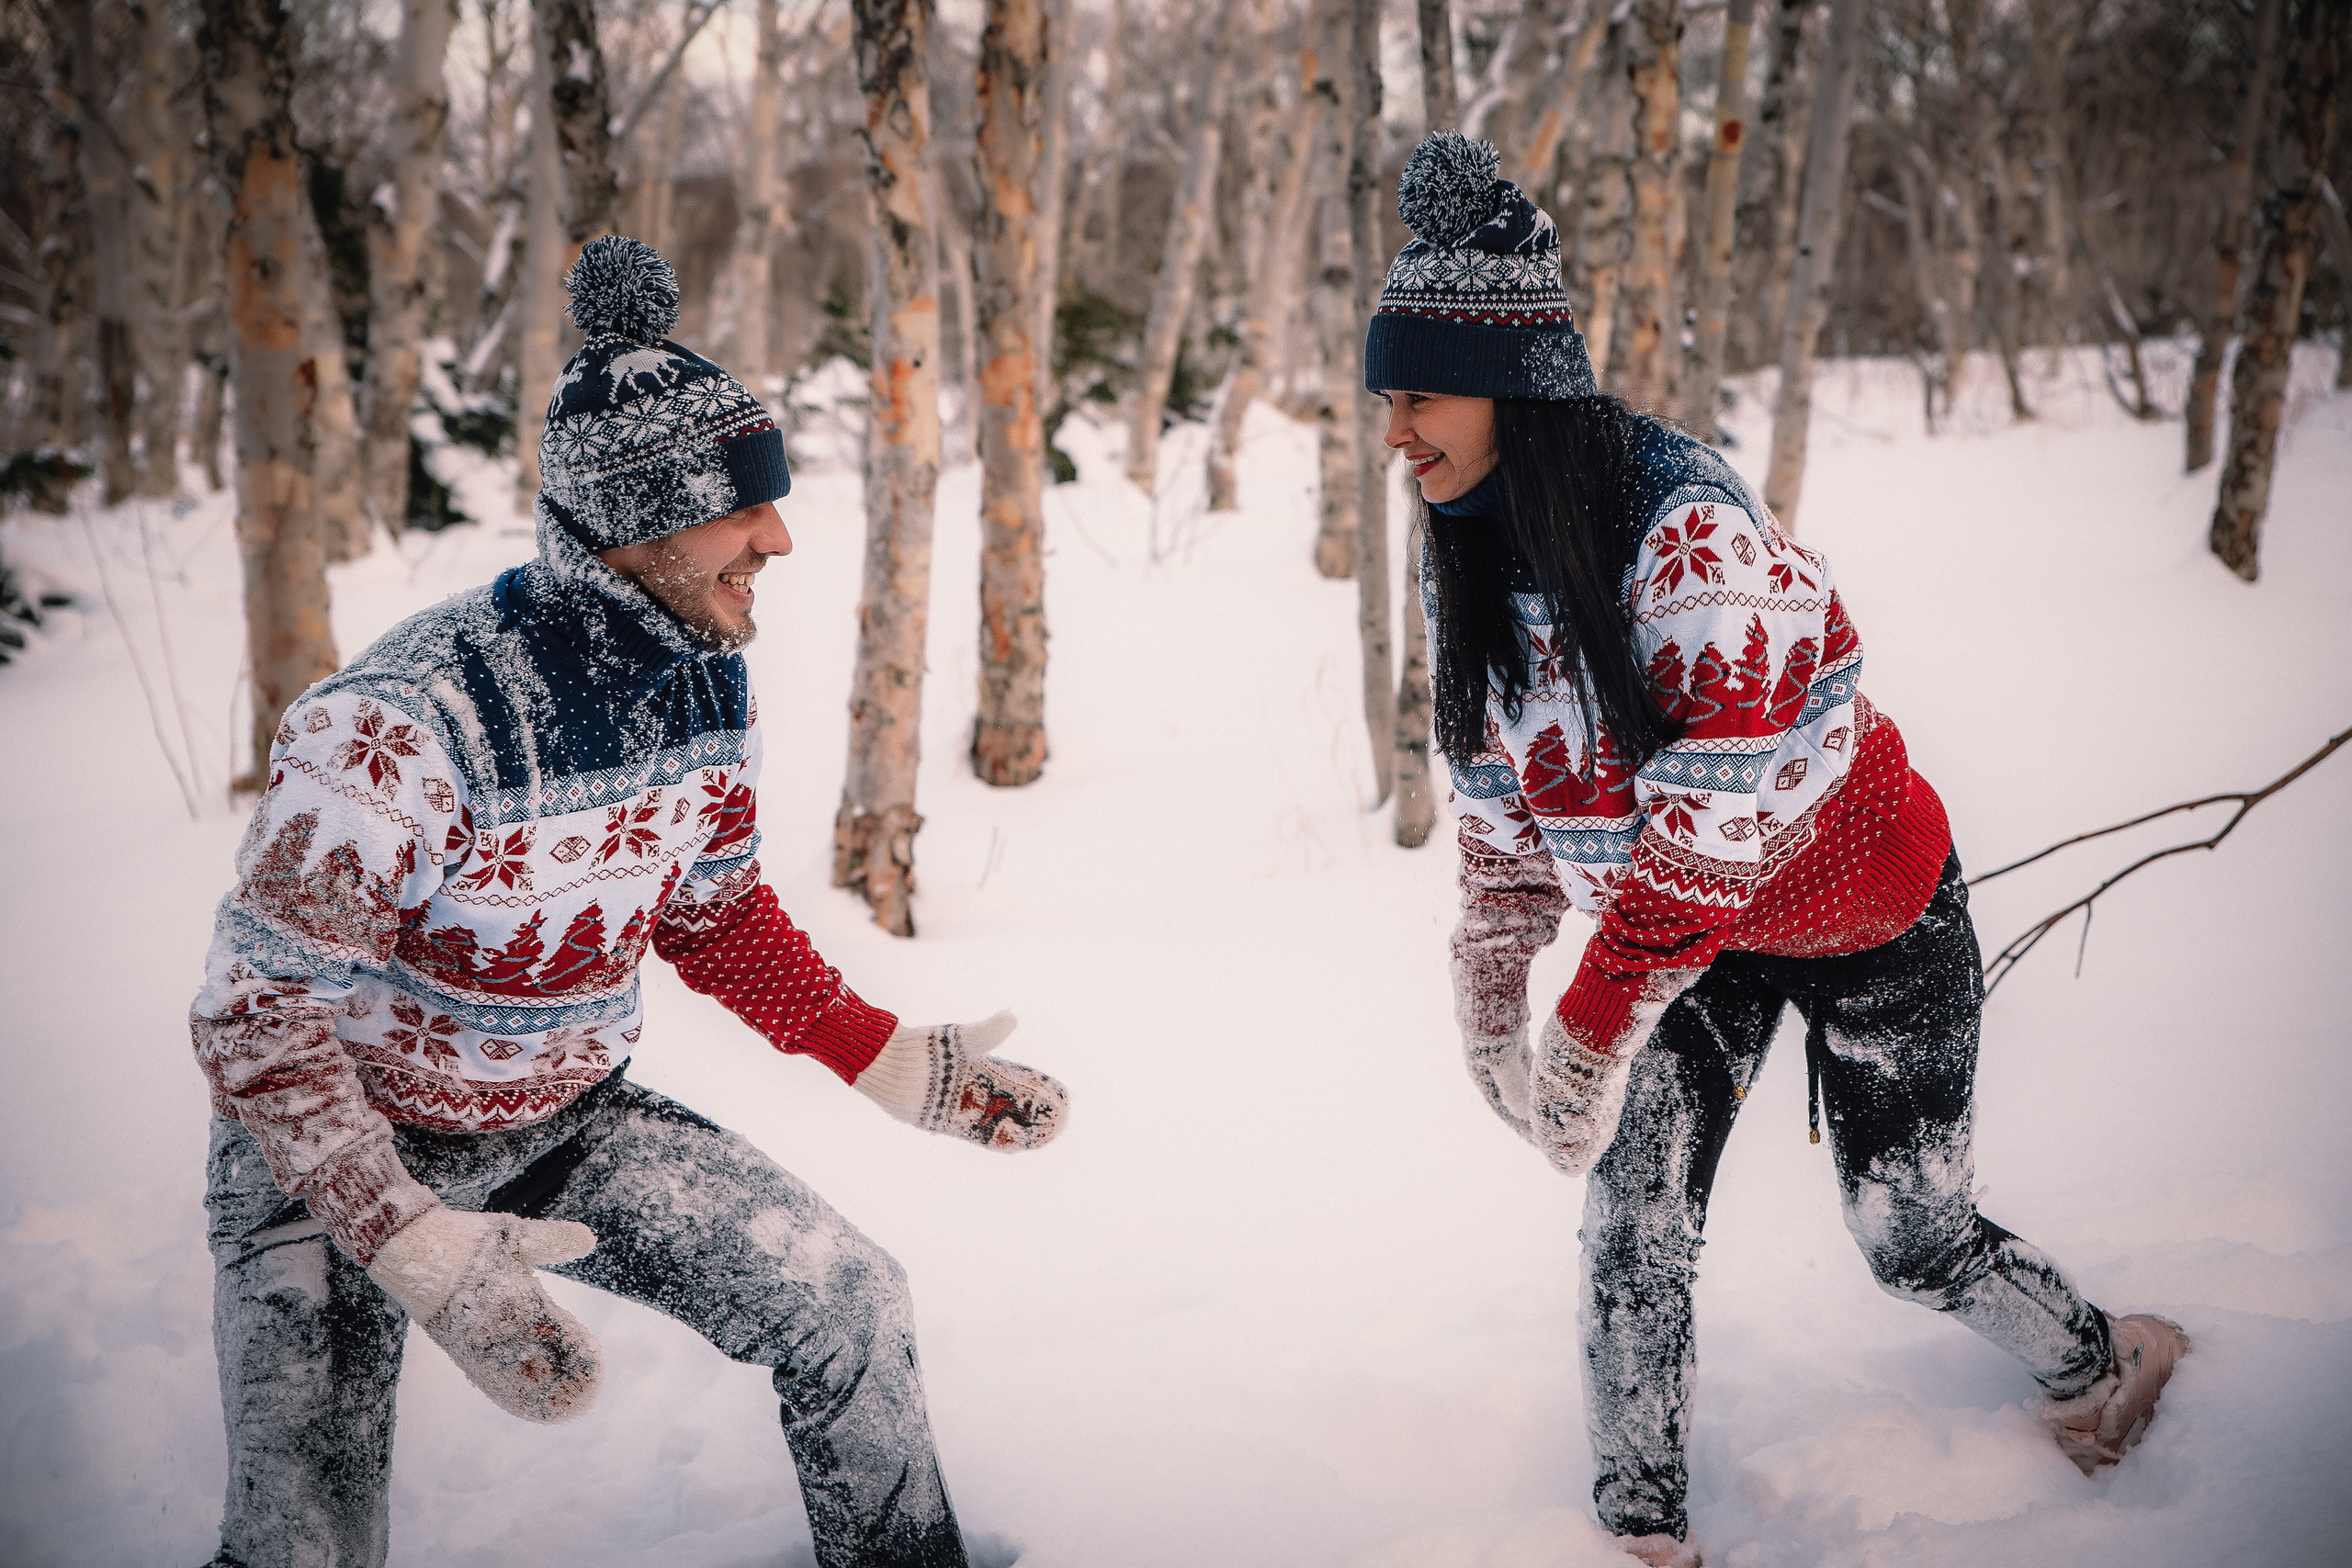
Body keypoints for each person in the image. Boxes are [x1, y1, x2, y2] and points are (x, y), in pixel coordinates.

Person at [1365, 133, 2186, 1567]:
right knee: (1632, 1226)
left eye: (1420, 395)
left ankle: (2110, 1365)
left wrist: (1586, 1030)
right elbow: (1502, 830)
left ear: (1512, 386)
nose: (1396, 432)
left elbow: (1704, 841)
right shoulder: (1476, 555)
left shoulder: (1687, 541)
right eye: (1389, 397)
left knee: (1908, 1235)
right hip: (1692, 951)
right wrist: (1491, 1020)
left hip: (1869, 910)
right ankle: (1641, 1540)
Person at [189, 237, 1066, 1568]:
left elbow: (708, 911)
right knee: (301, 1551)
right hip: (330, 1163)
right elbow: (257, 1019)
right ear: (630, 522)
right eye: (741, 510)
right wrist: (410, 1240)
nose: (778, 538)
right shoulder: (400, 727)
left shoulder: (705, 676)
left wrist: (880, 1056)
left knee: (849, 1302)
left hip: (562, 1123)